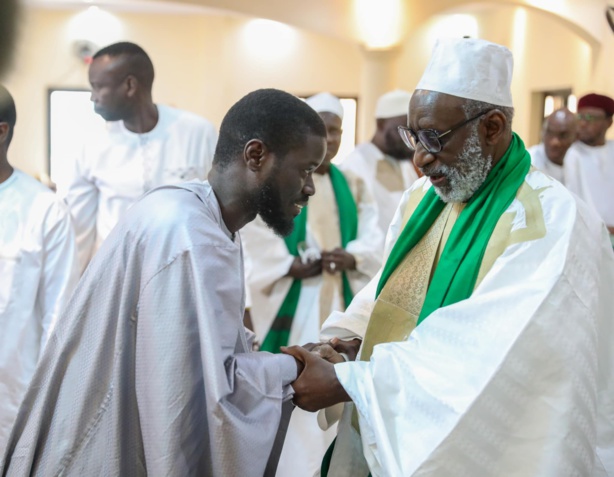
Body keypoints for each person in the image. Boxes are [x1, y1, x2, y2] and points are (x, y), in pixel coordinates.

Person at [283, 38, 614, 477]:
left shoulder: (553, 220)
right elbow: (392, 291)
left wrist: (353, 381)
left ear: (492, 127)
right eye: (413, 136)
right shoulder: (426, 196)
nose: (420, 158)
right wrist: (352, 341)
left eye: (433, 137)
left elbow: (493, 352)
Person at [0, 88, 327, 477]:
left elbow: (201, 353)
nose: (310, 187)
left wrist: (301, 356)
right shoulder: (188, 234)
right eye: (306, 169)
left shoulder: (204, 216)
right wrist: (295, 368)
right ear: (255, 155)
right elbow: (197, 397)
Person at [242, 92, 383, 477]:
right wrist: (288, 263)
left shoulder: (352, 181)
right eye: (323, 130)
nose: (330, 139)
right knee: (297, 384)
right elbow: (256, 231)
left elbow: (375, 233)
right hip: (297, 297)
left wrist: (353, 256)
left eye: (336, 131)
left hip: (342, 295)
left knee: (335, 387)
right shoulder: (277, 178)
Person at [57, 41, 218, 273]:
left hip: (183, 273)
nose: (93, 97)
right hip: (115, 276)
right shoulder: (90, 145)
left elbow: (223, 212)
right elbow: (78, 231)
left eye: (98, 87)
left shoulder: (197, 133)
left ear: (130, 86)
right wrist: (76, 289)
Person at [0, 85, 79, 450]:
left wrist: (48, 406)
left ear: (2, 131)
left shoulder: (45, 210)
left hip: (12, 399)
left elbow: (58, 317)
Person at [340, 89, 420, 236]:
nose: (410, 139)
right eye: (403, 130)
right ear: (381, 124)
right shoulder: (355, 164)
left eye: (412, 132)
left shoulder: (404, 164)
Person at [565, 93, 614, 235]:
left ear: (609, 122)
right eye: (580, 117)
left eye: (590, 118)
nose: (583, 123)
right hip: (587, 235)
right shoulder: (571, 153)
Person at [527, 107, 577, 183]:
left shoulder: (576, 162)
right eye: (550, 133)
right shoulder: (528, 163)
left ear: (575, 137)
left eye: (563, 135)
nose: (554, 142)